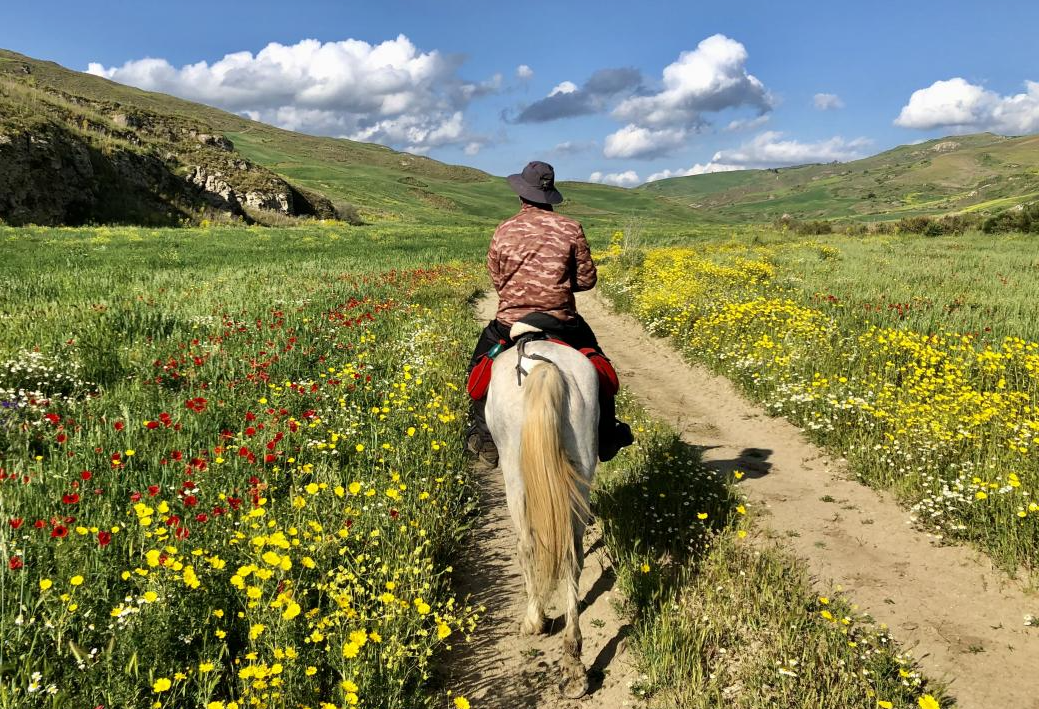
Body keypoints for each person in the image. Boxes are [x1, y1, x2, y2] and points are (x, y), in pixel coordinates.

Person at [466, 160, 634, 467]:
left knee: (479, 364)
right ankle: (607, 433)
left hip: (509, 322)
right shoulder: (571, 228)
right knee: (597, 362)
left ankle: (484, 438)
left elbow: (496, 277)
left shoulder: (503, 229)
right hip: (562, 322)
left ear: (521, 194)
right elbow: (586, 280)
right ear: (550, 194)